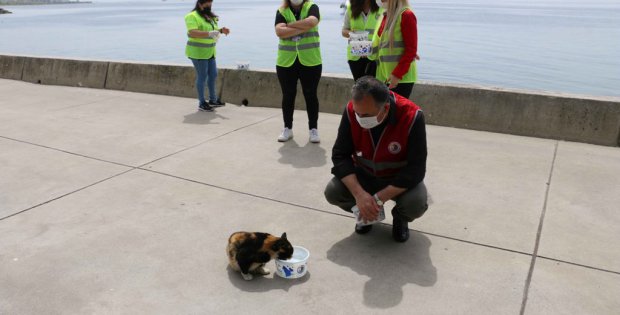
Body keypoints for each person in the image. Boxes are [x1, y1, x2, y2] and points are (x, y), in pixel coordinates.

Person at [324, 76, 428, 242]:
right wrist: (359, 195)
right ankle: (366, 214)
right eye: (357, 113)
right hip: (364, 175)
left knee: (416, 204)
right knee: (333, 192)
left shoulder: (412, 116)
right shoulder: (352, 110)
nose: (360, 118)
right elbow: (340, 155)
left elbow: (416, 169)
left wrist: (379, 198)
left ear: (385, 108)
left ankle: (400, 218)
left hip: (397, 180)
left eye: (365, 115)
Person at [274, 0, 322, 143]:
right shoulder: (282, 11)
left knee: (310, 95)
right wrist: (303, 26)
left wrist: (288, 26)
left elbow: (312, 22)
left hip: (311, 60)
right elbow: (279, 31)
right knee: (288, 95)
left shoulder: (312, 7)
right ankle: (287, 128)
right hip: (286, 61)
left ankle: (313, 129)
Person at [185, 0, 230, 112]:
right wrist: (210, 33)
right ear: (200, 3)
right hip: (198, 52)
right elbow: (192, 32)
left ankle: (213, 100)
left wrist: (221, 30)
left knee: (213, 74)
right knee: (202, 77)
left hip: (210, 52)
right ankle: (202, 103)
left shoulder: (210, 17)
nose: (209, 5)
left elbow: (213, 31)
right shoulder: (192, 16)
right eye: (207, 3)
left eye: (211, 3)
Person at [372, 0, 419, 99]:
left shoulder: (406, 15)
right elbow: (380, 46)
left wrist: (397, 75)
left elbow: (411, 50)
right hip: (384, 77)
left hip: (400, 79)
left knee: (395, 113)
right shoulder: (385, 16)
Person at [342, 0, 382, 81]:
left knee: (372, 88)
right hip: (355, 56)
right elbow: (344, 31)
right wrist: (352, 33)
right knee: (359, 87)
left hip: (374, 56)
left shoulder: (381, 8)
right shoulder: (351, 8)